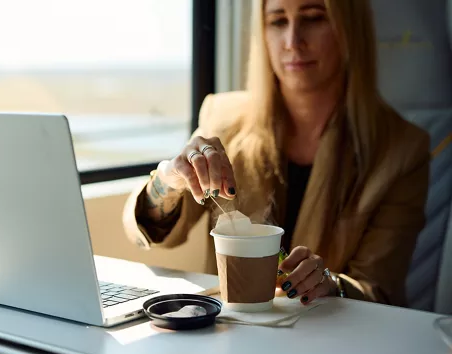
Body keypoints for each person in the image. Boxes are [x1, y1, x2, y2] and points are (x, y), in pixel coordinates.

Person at [122, 0, 430, 307]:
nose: (293, 41)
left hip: (328, 341)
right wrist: (167, 181)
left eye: (313, 18)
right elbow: (154, 234)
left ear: (349, 29)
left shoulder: (400, 149)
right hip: (231, 330)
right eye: (278, 21)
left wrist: (333, 285)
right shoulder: (223, 119)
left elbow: (378, 287)